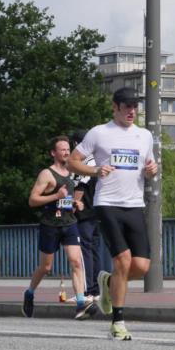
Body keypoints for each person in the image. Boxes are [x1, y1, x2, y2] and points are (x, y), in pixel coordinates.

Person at [68, 87, 158, 341]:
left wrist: (152, 169)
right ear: (115, 107)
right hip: (107, 203)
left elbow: (150, 166)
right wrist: (95, 171)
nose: (132, 111)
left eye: (135, 106)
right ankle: (118, 322)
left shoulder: (145, 135)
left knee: (141, 266)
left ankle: (109, 283)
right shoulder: (99, 133)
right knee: (123, 261)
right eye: (127, 106)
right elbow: (73, 161)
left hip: (135, 205)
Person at [22, 136, 90, 321]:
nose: (66, 152)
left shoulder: (71, 172)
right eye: (62, 150)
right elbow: (32, 200)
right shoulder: (47, 174)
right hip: (50, 225)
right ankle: (29, 294)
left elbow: (67, 199)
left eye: (68, 149)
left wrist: (77, 203)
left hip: (69, 222)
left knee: (75, 261)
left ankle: (80, 304)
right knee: (46, 267)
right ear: (53, 153)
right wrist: (55, 196)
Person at [71, 129, 104, 310]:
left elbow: (80, 188)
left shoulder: (86, 163)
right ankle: (96, 289)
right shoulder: (98, 162)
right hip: (97, 212)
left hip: (85, 214)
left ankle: (88, 290)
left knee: (84, 253)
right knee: (94, 250)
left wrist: (72, 203)